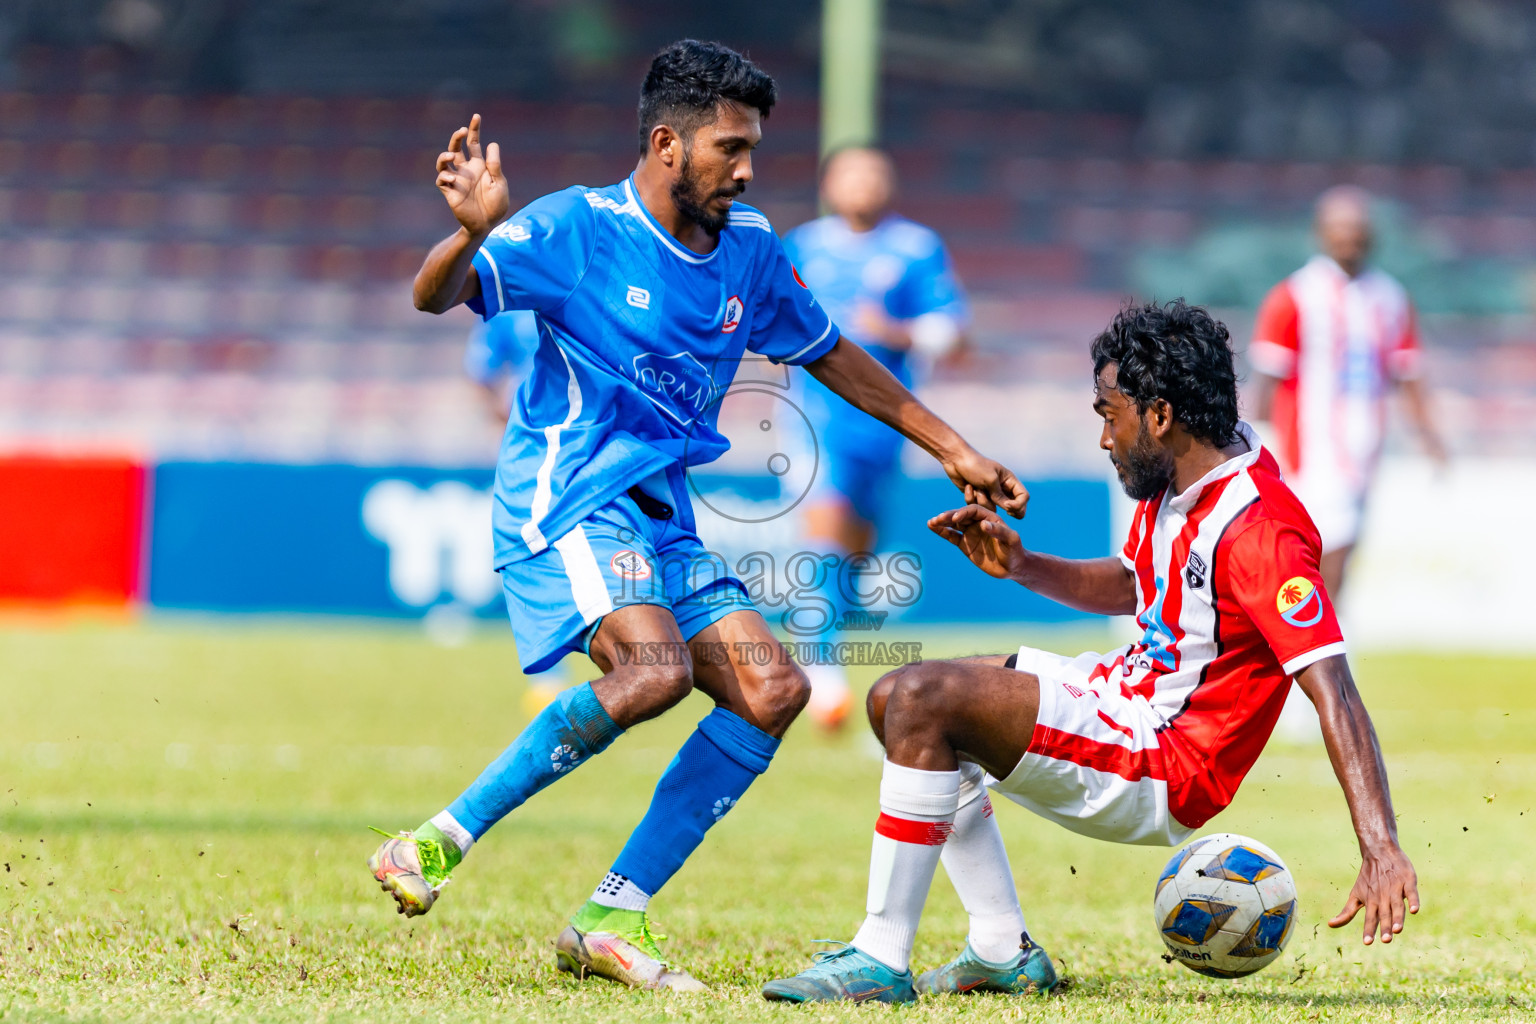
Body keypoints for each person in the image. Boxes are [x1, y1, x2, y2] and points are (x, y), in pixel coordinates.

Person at [366, 39, 1027, 992]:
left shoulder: (752, 248)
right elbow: (435, 296)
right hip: (571, 497)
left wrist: (952, 447)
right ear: (668, 144)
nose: (748, 167)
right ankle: (433, 843)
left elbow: (834, 354)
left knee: (774, 692)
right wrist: (472, 234)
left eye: (753, 146)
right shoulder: (578, 230)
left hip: (661, 515)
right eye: (731, 147)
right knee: (654, 670)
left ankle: (610, 914)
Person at [763, 300, 1418, 1004]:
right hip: (1121, 699)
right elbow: (1140, 583)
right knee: (895, 697)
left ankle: (879, 956)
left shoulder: (1261, 529)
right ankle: (999, 949)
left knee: (926, 701)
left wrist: (1380, 845)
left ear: (1159, 415)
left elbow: (1334, 688)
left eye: (1110, 413)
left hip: (1167, 760)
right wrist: (1024, 566)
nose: (1105, 437)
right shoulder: (1179, 475)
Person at [781, 148, 969, 729]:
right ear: (827, 184)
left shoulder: (916, 247)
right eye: (849, 173)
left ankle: (827, 648)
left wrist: (896, 331)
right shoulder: (801, 246)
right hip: (816, 418)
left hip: (886, 424)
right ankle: (822, 671)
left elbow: (953, 334)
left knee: (857, 554)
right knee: (825, 529)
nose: (861, 183)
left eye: (873, 173)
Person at [1249, 186, 1446, 597]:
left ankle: (1315, 643)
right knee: (1320, 551)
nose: (1349, 237)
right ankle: (1317, 646)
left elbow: (1406, 373)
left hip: (1365, 449)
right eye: (1339, 228)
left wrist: (1430, 437)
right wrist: (1256, 442)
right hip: (1309, 449)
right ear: (1321, 233)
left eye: (1357, 229)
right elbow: (1267, 376)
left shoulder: (1390, 297)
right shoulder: (1295, 295)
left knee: (1340, 550)